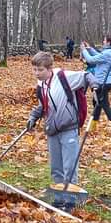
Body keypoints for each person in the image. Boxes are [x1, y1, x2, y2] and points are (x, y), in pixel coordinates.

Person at [26, 52, 89, 187]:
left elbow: (87, 76)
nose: (37, 73)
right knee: (56, 169)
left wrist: (97, 88)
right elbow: (44, 105)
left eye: (40, 70)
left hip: (68, 127)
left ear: (49, 69)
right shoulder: (41, 84)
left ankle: (71, 197)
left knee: (70, 167)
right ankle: (60, 194)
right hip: (52, 130)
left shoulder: (64, 77)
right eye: (34, 69)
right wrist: (33, 116)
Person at [81, 35, 111, 133]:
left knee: (104, 105)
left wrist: (83, 50)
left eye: (104, 40)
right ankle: (92, 126)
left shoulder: (108, 53)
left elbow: (91, 60)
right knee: (97, 103)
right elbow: (98, 56)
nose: (103, 41)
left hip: (102, 83)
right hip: (107, 82)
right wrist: (89, 49)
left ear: (108, 42)